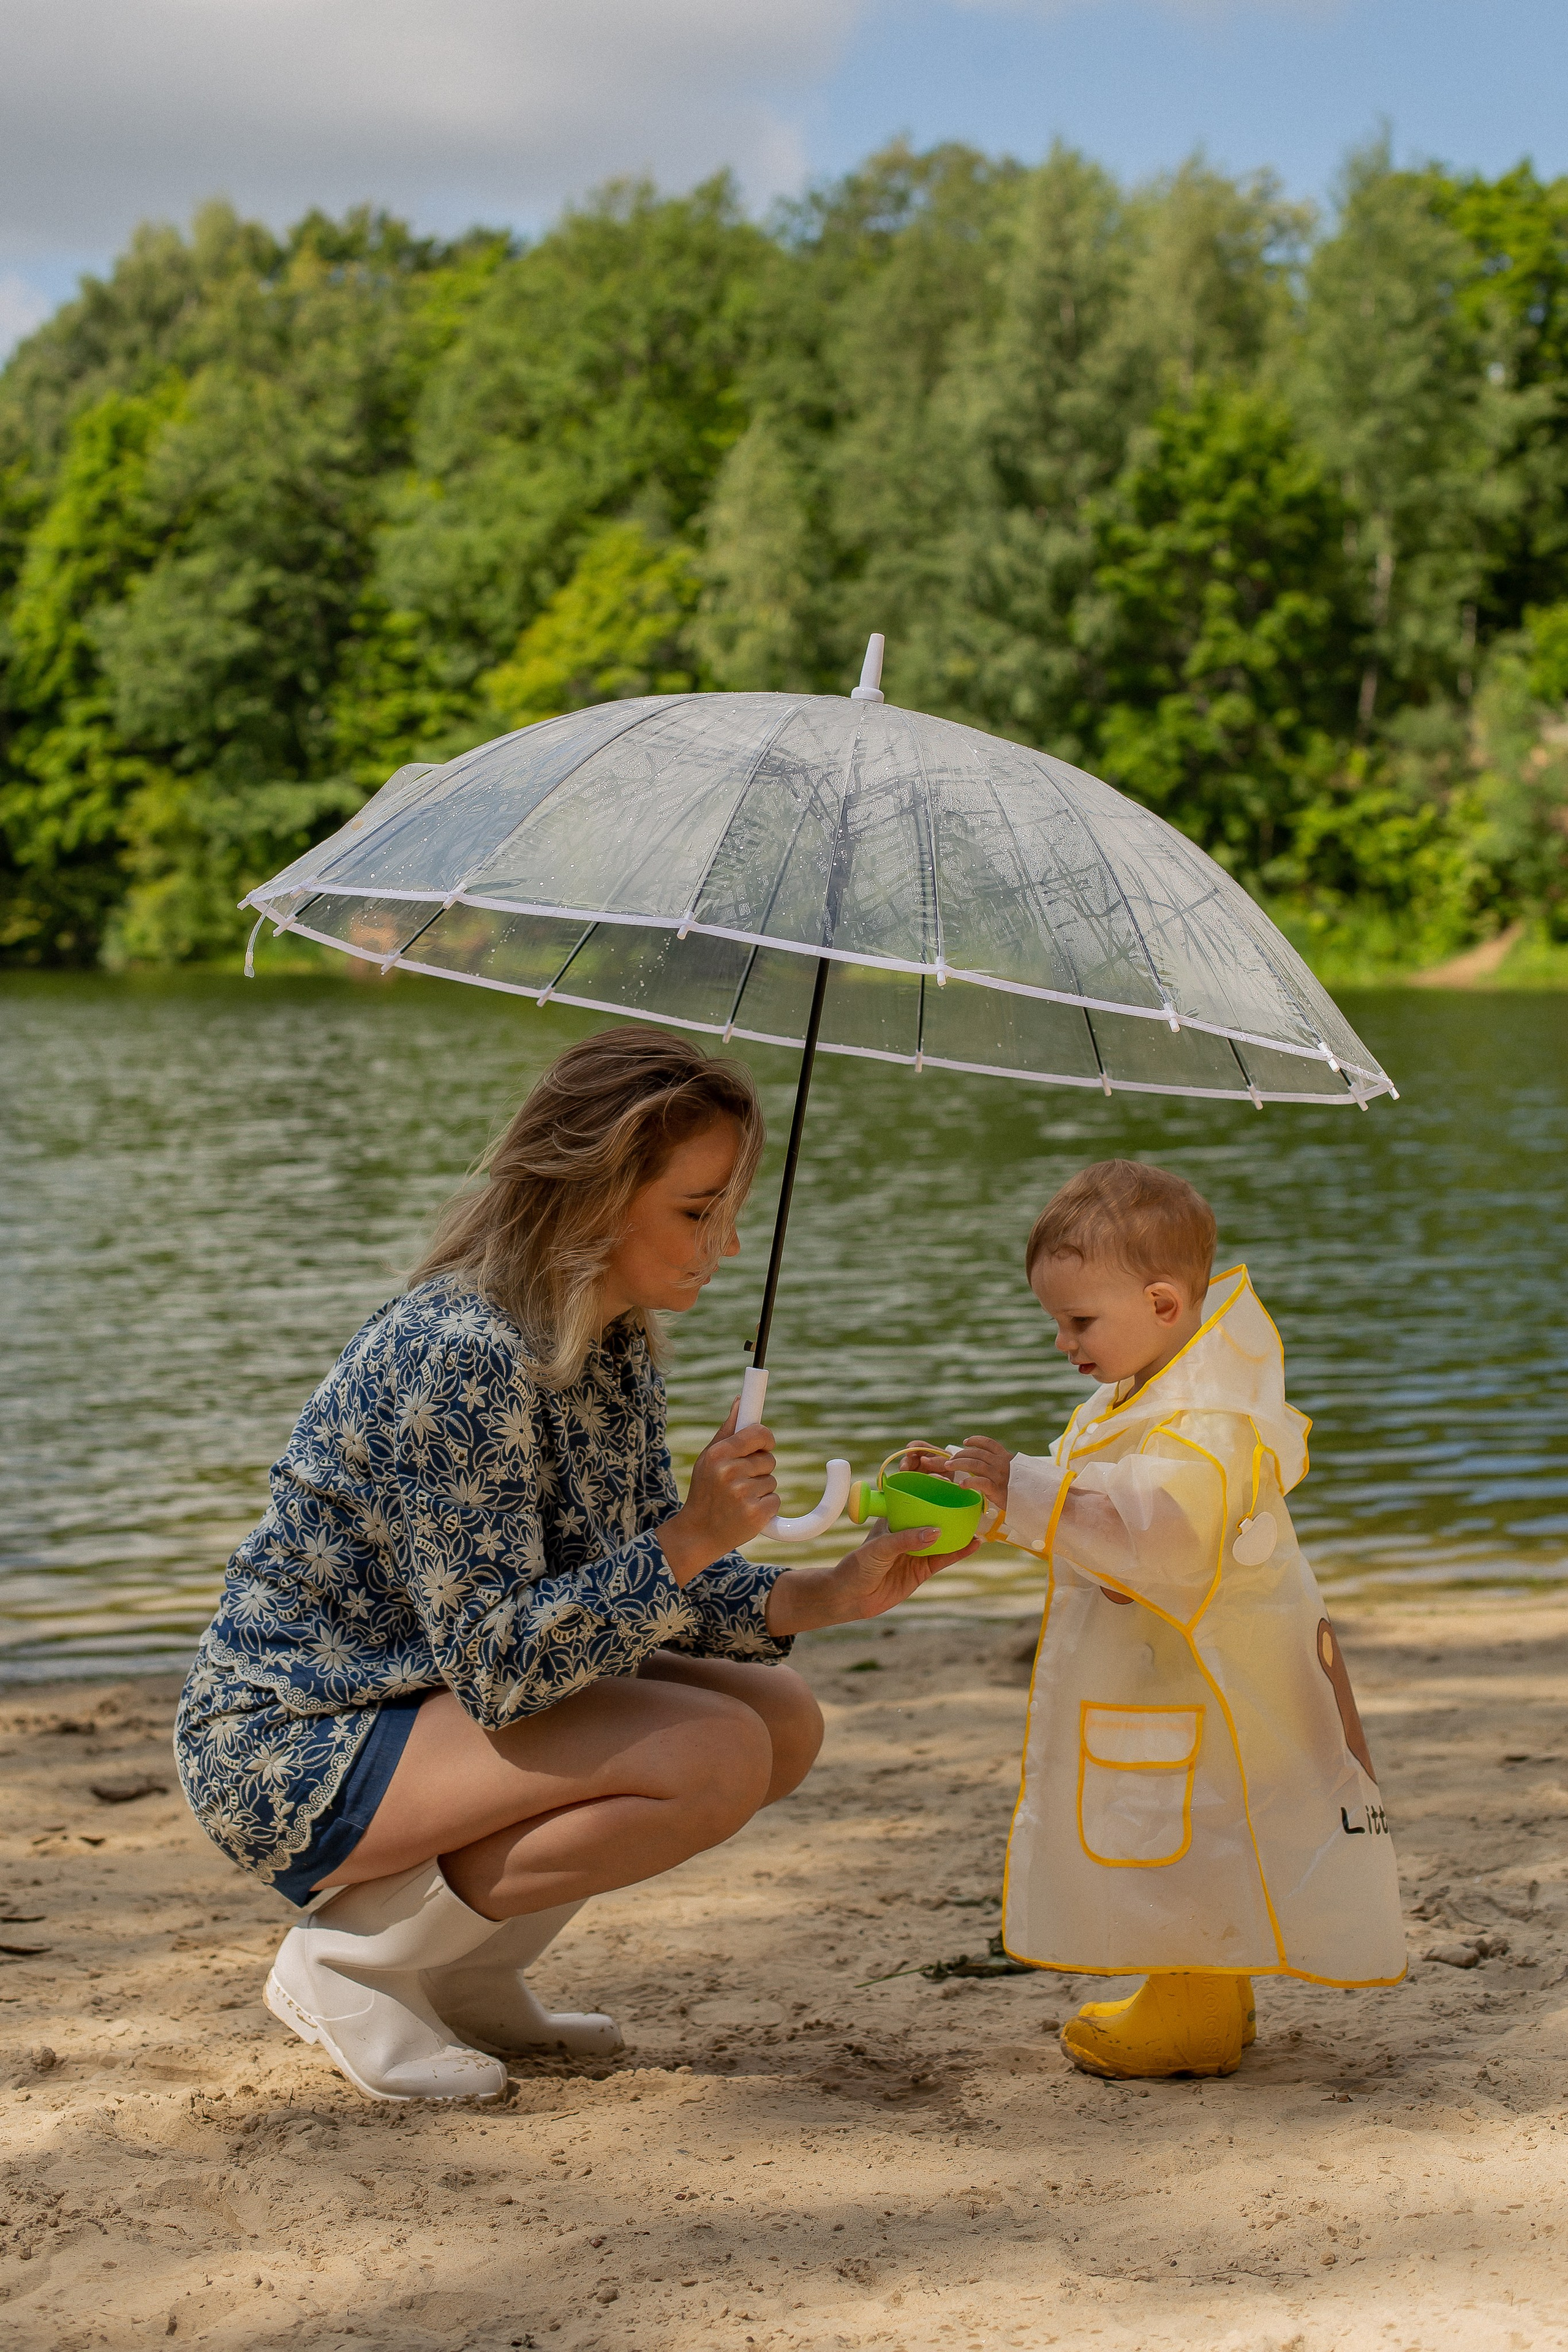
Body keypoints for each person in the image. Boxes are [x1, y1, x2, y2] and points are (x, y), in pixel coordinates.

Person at [175, 1026, 969, 2103]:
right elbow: (503, 1663)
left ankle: (469, 1970)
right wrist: (689, 1536)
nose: (725, 1246)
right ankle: (353, 1962)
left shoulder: (611, 1339)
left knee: (780, 1718)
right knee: (713, 1752)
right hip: (298, 1735)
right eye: (698, 1211)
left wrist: (828, 1592)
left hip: (430, 1704)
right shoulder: (463, 1356)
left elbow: (638, 1586)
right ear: (592, 1196)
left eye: (729, 1210)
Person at [903, 1158, 1404, 2081]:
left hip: (1198, 1680)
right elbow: (1100, 1522)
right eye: (1057, 1321)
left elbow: (1163, 1539)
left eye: (1080, 1321)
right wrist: (987, 1496)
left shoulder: (1203, 1424)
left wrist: (1023, 1487)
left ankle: (1191, 2012)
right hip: (1176, 1667)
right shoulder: (1153, 1389)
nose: (1063, 1342)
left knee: (1185, 1827)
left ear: (1165, 1304)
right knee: (1186, 1819)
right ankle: (1215, 1988)